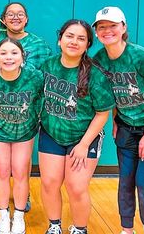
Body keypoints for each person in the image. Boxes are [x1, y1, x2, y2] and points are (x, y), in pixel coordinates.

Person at [92, 6, 144, 234]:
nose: (107, 31)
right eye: (102, 27)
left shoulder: (142, 57)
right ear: (97, 32)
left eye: (113, 25)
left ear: (123, 27)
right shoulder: (99, 59)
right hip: (127, 125)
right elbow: (112, 94)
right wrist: (116, 120)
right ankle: (127, 230)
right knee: (126, 181)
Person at [0, 3, 52, 211]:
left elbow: (45, 77)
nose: (15, 17)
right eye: (10, 14)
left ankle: (24, 193)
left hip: (25, 109)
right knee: (0, 155)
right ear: (3, 19)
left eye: (20, 14)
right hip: (0, 105)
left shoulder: (39, 44)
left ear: (27, 19)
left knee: (22, 161)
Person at [39, 20, 115, 234]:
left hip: (83, 137)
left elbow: (102, 113)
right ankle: (54, 226)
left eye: (81, 38)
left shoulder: (96, 75)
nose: (74, 41)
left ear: (88, 44)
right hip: (52, 132)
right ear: (60, 39)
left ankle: (80, 229)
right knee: (50, 182)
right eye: (69, 36)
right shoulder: (48, 65)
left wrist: (83, 145)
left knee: (76, 187)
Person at [0, 38, 43, 234]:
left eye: (14, 53)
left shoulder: (34, 76)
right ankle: (3, 214)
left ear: (22, 57)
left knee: (19, 172)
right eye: (4, 53)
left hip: (24, 130)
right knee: (1, 170)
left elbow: (42, 99)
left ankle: (18, 216)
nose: (9, 57)